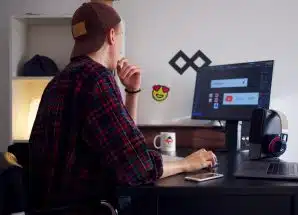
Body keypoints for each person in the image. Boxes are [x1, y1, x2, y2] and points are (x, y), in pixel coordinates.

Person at [28, 2, 217, 214]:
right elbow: (136, 168)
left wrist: (132, 92)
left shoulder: (58, 81)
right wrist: (187, 164)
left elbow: (125, 144)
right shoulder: (97, 78)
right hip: (86, 208)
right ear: (111, 36)